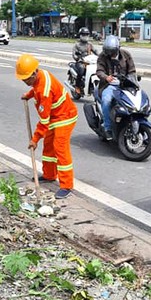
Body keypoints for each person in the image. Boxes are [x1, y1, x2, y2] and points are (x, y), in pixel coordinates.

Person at [16, 53, 78, 199]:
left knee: (60, 148)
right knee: (49, 145)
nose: (24, 81)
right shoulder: (40, 75)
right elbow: (36, 88)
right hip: (55, 116)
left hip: (65, 116)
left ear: (33, 73)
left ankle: (66, 185)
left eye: (26, 79)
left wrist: (34, 140)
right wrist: (29, 94)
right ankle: (49, 174)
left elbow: (44, 122)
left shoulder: (44, 91)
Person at [96, 35, 136, 140]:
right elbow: (99, 71)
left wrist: (132, 81)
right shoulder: (102, 56)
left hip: (125, 85)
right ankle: (108, 128)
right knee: (106, 100)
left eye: (112, 51)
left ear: (117, 48)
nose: (110, 54)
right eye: (108, 51)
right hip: (109, 86)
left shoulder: (126, 55)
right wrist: (106, 77)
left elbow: (132, 71)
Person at [72, 27, 97, 93]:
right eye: (83, 35)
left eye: (86, 34)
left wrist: (102, 56)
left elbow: (96, 51)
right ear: (80, 35)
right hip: (81, 62)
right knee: (81, 71)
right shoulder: (77, 45)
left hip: (89, 62)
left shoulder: (90, 44)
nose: (85, 36)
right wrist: (77, 57)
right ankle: (77, 86)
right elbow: (74, 54)